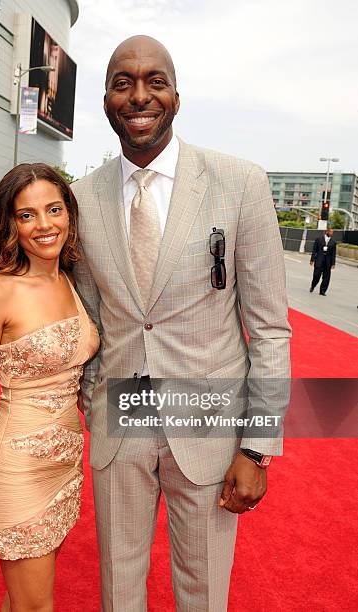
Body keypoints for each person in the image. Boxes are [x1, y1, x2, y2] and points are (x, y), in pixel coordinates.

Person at [72, 36, 291, 611]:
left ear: (176, 95)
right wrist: (95, 399)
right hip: (120, 426)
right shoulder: (81, 199)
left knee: (203, 596)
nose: (139, 96)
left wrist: (259, 447)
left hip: (210, 429)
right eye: (123, 82)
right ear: (105, 99)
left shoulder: (240, 183)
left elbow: (269, 329)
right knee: (119, 592)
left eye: (155, 81)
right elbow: (90, 317)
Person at [0, 163, 99, 612]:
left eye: (53, 209)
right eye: (27, 215)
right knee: (36, 605)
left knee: (21, 598)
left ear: (69, 213)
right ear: (11, 223)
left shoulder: (69, 278)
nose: (44, 225)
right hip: (19, 467)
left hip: (67, 464)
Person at [310, 227, 336, 296]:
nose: (331, 233)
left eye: (332, 232)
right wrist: (312, 259)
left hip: (328, 262)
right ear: (327, 231)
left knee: (326, 277)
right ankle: (313, 285)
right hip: (319, 260)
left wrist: (333, 263)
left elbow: (333, 254)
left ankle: (322, 291)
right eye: (330, 232)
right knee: (316, 275)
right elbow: (314, 250)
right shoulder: (318, 239)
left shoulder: (333, 242)